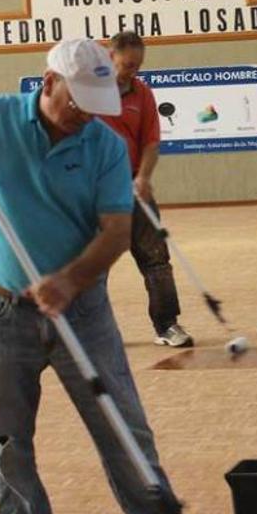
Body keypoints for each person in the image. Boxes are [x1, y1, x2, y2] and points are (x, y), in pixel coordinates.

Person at [0, 38, 191, 514]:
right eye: (79, 103)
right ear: (50, 81)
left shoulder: (105, 146)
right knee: (8, 433)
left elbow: (116, 231)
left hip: (83, 310)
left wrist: (71, 280)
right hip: (4, 312)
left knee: (121, 423)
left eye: (97, 107)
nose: (86, 117)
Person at [96, 31, 193, 348]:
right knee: (93, 265)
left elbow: (151, 142)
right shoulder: (89, 93)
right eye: (127, 64)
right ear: (110, 57)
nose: (133, 71)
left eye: (138, 65)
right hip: (94, 194)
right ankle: (94, 333)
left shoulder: (143, 94)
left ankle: (167, 326)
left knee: (157, 260)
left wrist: (144, 178)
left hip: (136, 189)